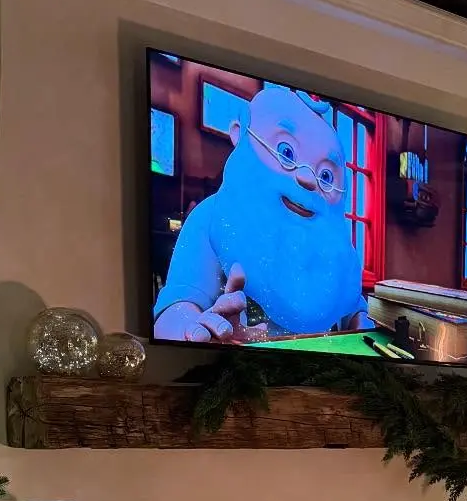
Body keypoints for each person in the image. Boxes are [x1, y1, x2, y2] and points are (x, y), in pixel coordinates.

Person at [153, 84, 366, 343]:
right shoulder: (212, 216)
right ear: (239, 135)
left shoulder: (335, 246)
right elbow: (174, 309)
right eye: (287, 153)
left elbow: (355, 312)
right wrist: (195, 331)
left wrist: (364, 328)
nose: (308, 179)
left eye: (325, 175)